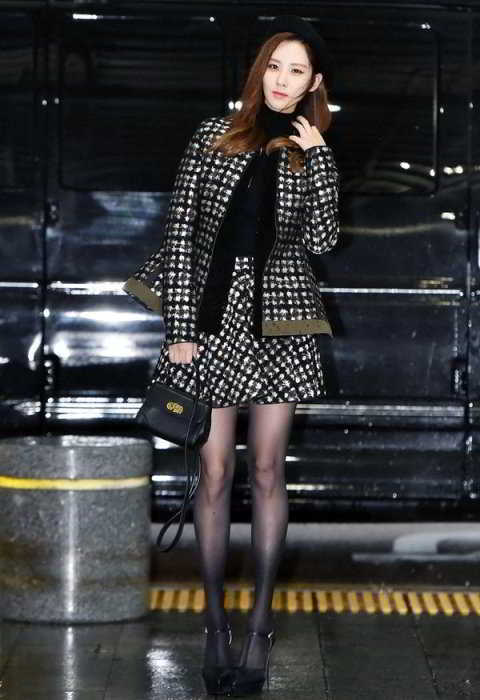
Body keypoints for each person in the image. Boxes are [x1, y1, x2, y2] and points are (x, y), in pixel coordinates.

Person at [122, 14, 340, 697]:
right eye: (275, 66)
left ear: (313, 83)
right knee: (214, 474)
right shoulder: (212, 136)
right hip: (211, 321)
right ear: (259, 71)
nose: (282, 80)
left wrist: (321, 157)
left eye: (296, 71)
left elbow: (324, 241)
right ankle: (215, 625)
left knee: (269, 470)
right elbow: (181, 233)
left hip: (281, 322)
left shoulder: (309, 151)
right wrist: (181, 329)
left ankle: (258, 629)